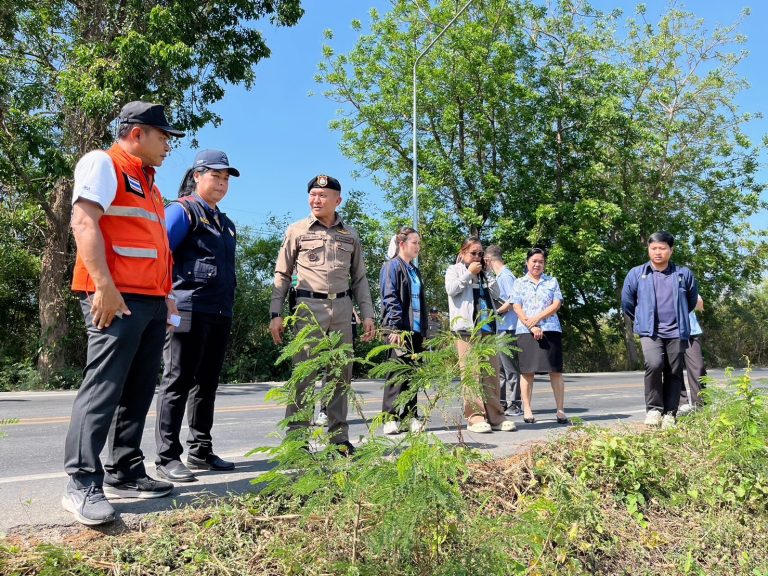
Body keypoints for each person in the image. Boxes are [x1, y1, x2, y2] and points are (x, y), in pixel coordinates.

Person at [63, 101, 185, 526]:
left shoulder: (149, 185)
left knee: (137, 390)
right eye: (163, 136)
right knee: (104, 389)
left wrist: (166, 295)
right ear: (137, 133)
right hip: (116, 297)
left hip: (150, 301)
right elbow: (84, 223)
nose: (168, 145)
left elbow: (156, 248)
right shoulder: (103, 163)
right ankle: (80, 483)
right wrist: (104, 286)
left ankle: (125, 469)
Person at [269, 175, 375, 455]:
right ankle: (297, 440)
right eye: (313, 195)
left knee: (341, 375)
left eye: (323, 195)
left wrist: (367, 314)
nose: (316, 200)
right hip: (307, 308)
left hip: (342, 309)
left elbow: (360, 278)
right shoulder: (297, 230)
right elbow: (282, 273)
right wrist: (275, 312)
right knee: (303, 374)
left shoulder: (350, 235)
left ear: (337, 200)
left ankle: (338, 439)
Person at [153, 150, 240, 483]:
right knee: (177, 381)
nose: (220, 183)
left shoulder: (224, 223)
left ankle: (200, 450)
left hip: (218, 310)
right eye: (215, 176)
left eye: (225, 178)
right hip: (185, 308)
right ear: (197, 176)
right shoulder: (182, 211)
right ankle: (166, 457)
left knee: (207, 383)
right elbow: (160, 253)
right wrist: (167, 298)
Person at [621, 231, 698, 429]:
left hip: (676, 330)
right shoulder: (637, 273)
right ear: (648, 249)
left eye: (662, 248)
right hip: (650, 331)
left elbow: (690, 302)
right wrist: (642, 319)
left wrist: (678, 318)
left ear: (670, 250)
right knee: (654, 364)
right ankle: (654, 410)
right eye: (653, 248)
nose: (657, 252)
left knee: (673, 371)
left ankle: (670, 413)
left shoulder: (683, 274)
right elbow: (627, 302)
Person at [445, 237, 516, 434]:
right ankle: (475, 417)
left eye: (480, 253)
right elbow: (451, 290)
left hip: (488, 329)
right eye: (473, 253)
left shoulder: (484, 274)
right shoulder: (454, 270)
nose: (477, 257)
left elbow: (497, 292)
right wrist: (469, 273)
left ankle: (496, 416)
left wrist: (487, 273)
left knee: (491, 373)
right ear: (463, 254)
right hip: (467, 330)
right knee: (471, 374)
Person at [379, 227, 429, 435]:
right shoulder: (392, 266)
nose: (418, 246)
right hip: (399, 330)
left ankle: (410, 416)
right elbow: (390, 297)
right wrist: (396, 328)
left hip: (415, 330)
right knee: (397, 373)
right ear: (402, 244)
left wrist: (424, 331)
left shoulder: (414, 270)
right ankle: (389, 418)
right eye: (414, 242)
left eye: (418, 243)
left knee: (412, 375)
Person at [510, 247, 567, 425]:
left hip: (551, 329)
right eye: (534, 261)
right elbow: (516, 306)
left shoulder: (552, 281)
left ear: (544, 264)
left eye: (540, 262)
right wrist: (531, 325)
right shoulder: (519, 282)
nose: (537, 264)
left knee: (555, 371)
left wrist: (538, 319)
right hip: (526, 330)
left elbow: (556, 304)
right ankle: (527, 409)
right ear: (527, 262)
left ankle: (560, 409)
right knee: (527, 371)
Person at [484, 245, 522, 417]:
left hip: (508, 328)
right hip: (501, 328)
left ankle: (515, 404)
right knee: (499, 369)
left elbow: (512, 301)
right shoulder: (501, 276)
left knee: (510, 369)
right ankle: (501, 403)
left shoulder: (506, 276)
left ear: (489, 260)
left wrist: (495, 312)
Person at [677, 295, 707, 414]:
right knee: (674, 368)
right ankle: (682, 403)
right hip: (670, 331)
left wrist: (694, 300)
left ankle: (700, 404)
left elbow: (700, 305)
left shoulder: (686, 279)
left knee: (698, 367)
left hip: (691, 331)